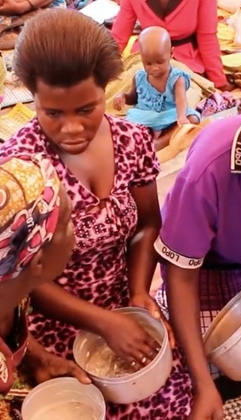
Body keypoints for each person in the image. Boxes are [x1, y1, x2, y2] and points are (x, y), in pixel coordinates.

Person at [1, 9, 194, 418]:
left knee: (167, 392)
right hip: (55, 321)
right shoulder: (23, 168)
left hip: (125, 303)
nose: (71, 128)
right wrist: (100, 322)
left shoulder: (132, 141)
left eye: (86, 109)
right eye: (53, 113)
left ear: (107, 92)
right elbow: (20, 276)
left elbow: (147, 226)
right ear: (32, 97)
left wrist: (139, 294)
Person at [155, 60, 241, 420]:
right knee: (193, 365)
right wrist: (202, 384)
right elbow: (180, 275)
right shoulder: (210, 165)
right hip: (208, 268)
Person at [0, 153, 91, 395]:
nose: (75, 231)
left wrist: (37, 357)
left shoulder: (10, 287)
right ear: (37, 261)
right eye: (68, 222)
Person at [111, 0, 231, 90]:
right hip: (145, 59)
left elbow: (207, 37)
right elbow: (118, 37)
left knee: (181, 95)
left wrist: (219, 82)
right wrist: (102, 73)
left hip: (187, 62)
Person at [113, 26, 200, 136]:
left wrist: (181, 117)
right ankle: (157, 137)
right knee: (125, 127)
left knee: (193, 118)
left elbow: (180, 100)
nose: (154, 68)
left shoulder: (177, 78)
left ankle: (161, 136)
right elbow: (133, 98)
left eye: (160, 62)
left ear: (171, 54)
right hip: (145, 116)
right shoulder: (139, 77)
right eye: (148, 63)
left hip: (169, 114)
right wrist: (123, 97)